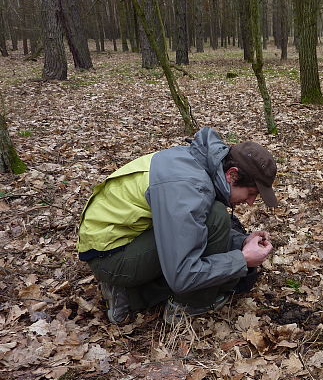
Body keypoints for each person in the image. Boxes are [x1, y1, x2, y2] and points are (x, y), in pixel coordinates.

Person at [77, 126, 276, 325]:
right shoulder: (187, 187)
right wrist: (242, 259)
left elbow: (193, 224)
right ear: (232, 175)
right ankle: (186, 305)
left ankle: (128, 291)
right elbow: (182, 274)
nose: (250, 202)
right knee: (216, 219)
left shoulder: (198, 163)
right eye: (251, 193)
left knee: (215, 219)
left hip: (119, 240)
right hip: (110, 257)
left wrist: (242, 241)